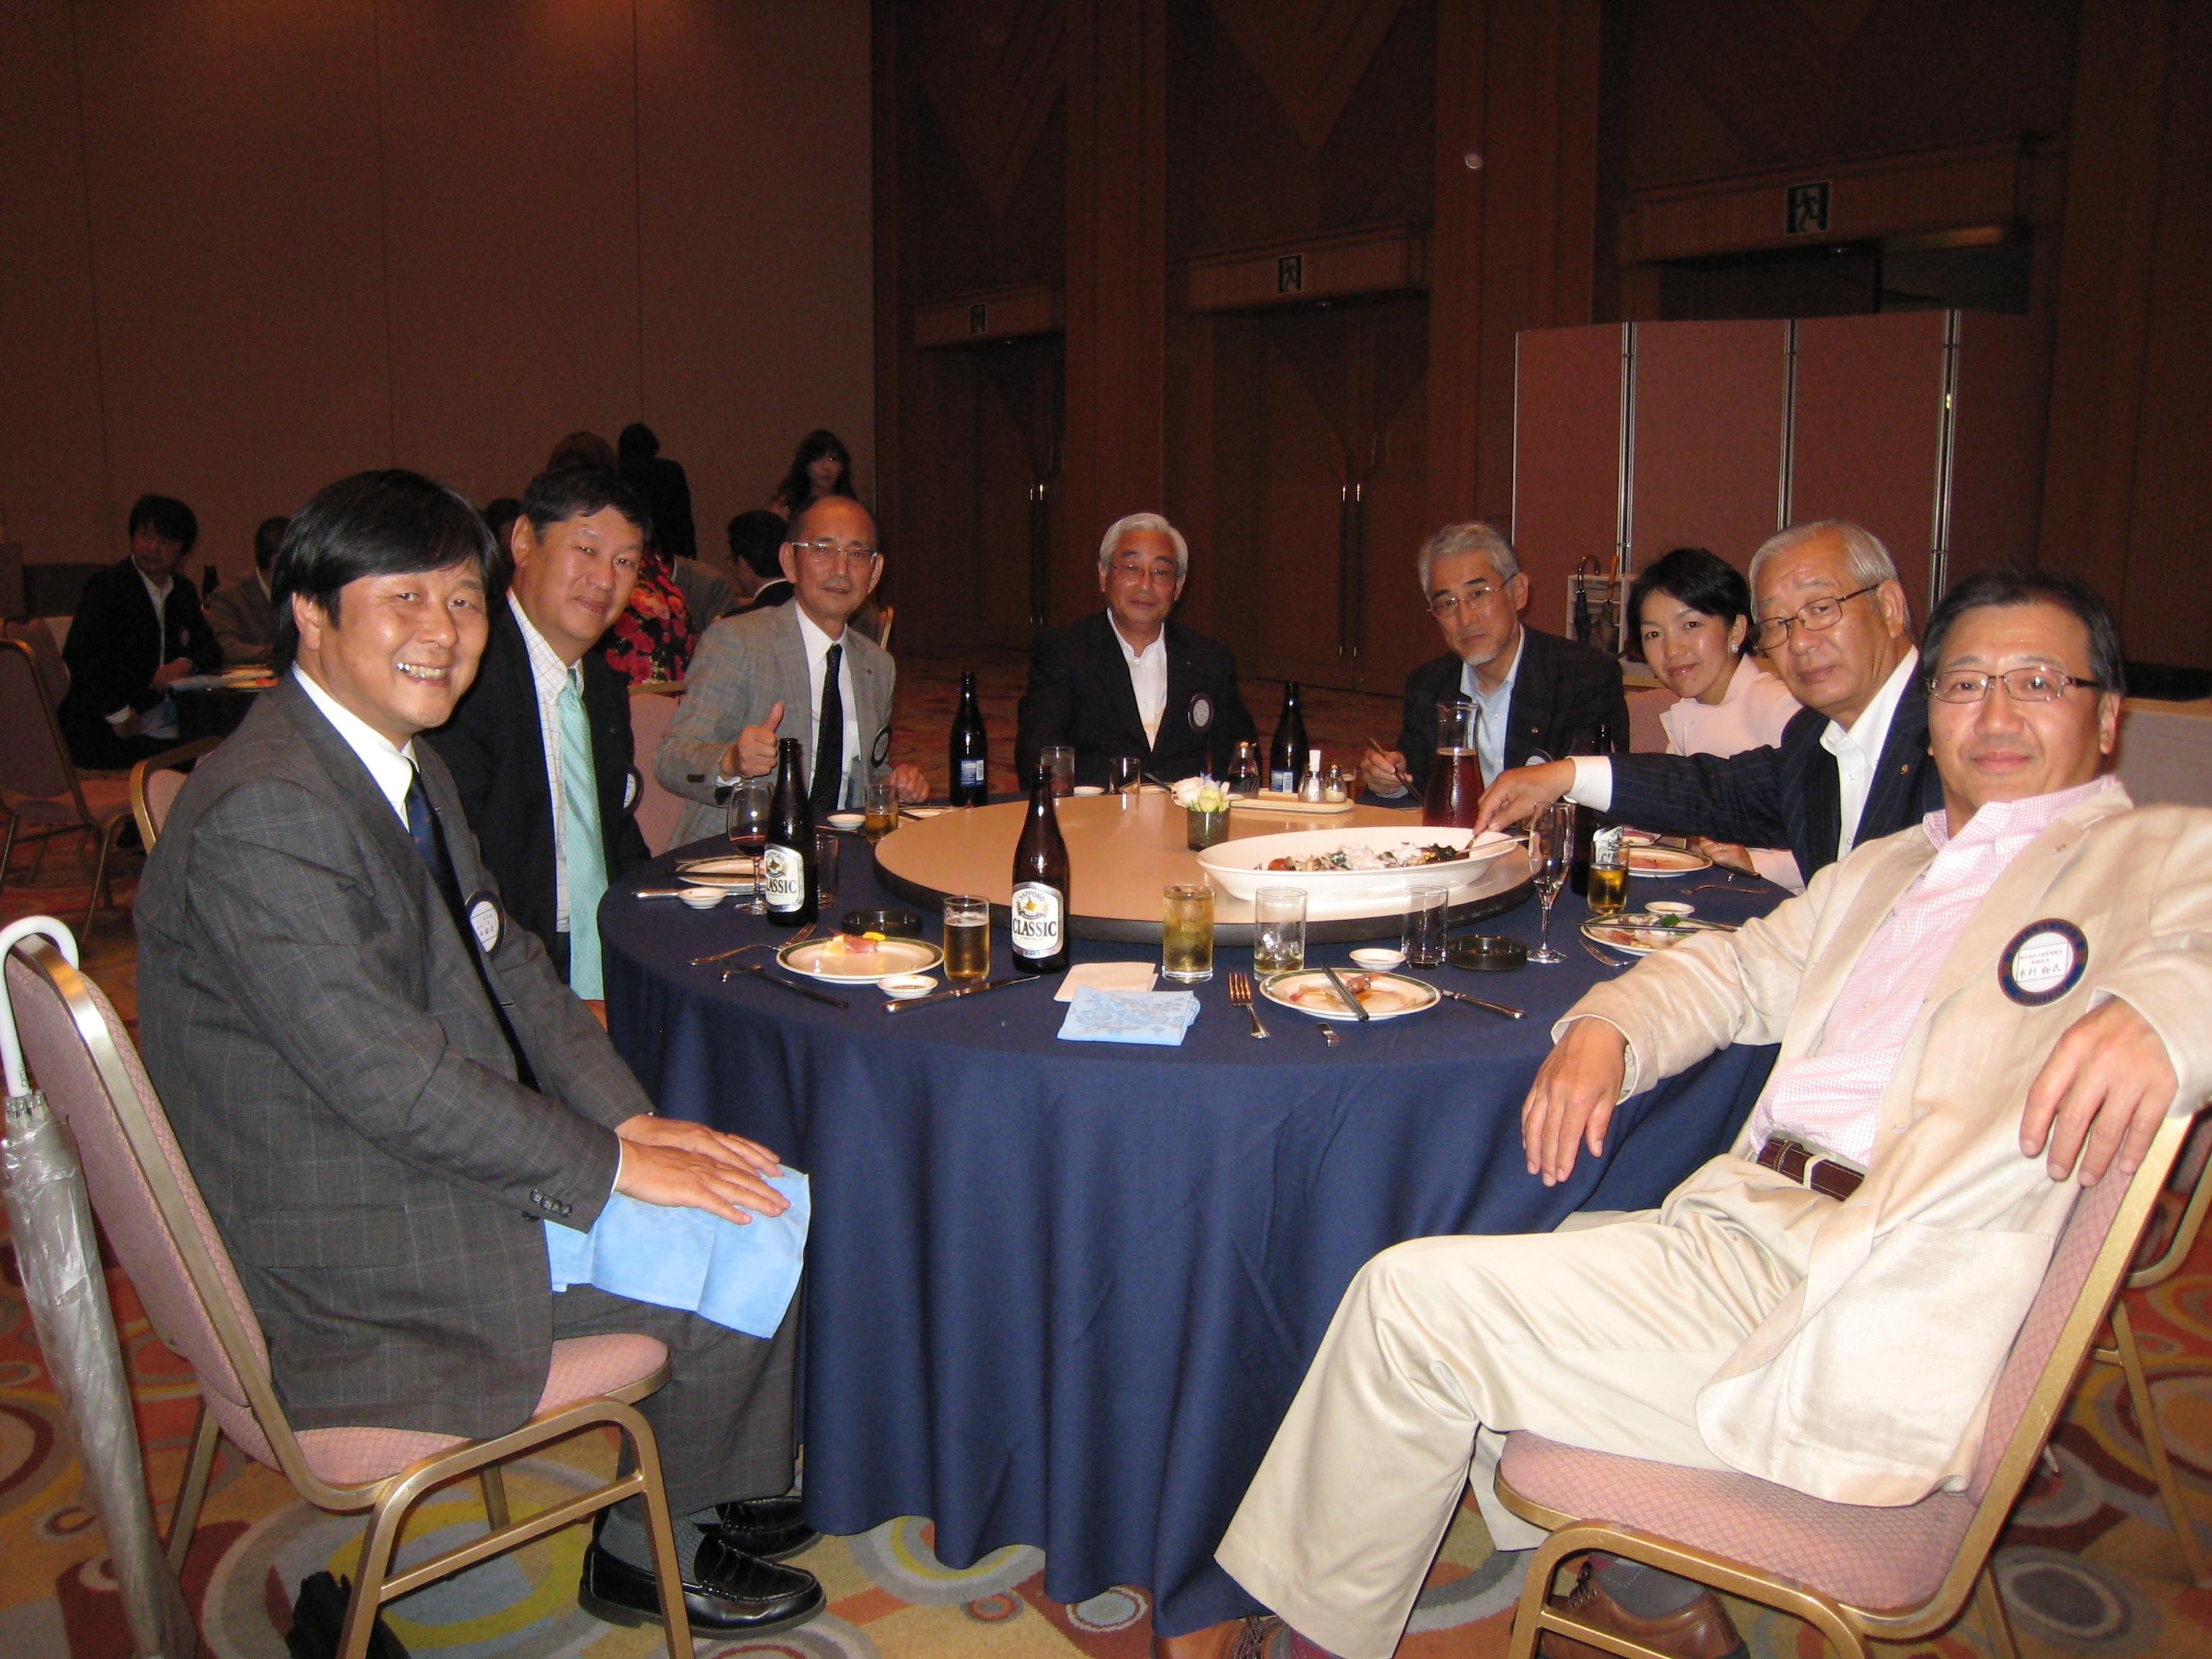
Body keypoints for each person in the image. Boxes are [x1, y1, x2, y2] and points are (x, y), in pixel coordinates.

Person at [1179, 569, 2212, 1659]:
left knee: (1409, 1308)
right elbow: (1734, 971)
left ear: (2106, 717)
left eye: (2037, 682)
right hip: (1748, 1225)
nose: (1994, 713)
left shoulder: (2153, 856)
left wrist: (2161, 1014)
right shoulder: (1894, 867)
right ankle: (1640, 1584)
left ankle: (1313, 1636)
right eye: (1965, 685)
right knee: (1501, 1239)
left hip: (1866, 1292)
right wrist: (1607, 1028)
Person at [132, 469, 827, 1637]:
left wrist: (629, 1118)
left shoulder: (393, 760)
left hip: (377, 1160)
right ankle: (645, 1550)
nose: (443, 631)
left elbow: (511, 966)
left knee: (744, 1184)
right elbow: (393, 1083)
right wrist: (613, 1167)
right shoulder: (272, 808)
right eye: (401, 597)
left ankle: (707, 1487)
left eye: (460, 600)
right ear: (311, 613)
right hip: (344, 1255)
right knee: (746, 1226)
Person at [1478, 520, 1940, 884]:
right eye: (1779, 624)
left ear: (1889, 607)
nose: (1800, 642)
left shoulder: (1957, 734)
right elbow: (1715, 791)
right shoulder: (1815, 737)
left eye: (1821, 609)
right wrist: (1568, 775)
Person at [428, 466, 654, 1001]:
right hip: (505, 971)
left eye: (625, 561)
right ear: (524, 541)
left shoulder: (601, 686)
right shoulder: (460, 680)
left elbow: (615, 840)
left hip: (602, 953)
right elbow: (450, 878)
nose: (605, 579)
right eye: (587, 549)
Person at [657, 496, 927, 845]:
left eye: (857, 554)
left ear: (874, 572)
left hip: (837, 848)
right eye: (822, 550)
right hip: (739, 850)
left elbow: (866, 770)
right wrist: (730, 761)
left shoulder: (877, 665)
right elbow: (671, 759)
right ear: (789, 561)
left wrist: (893, 784)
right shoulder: (739, 642)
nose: (841, 569)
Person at [1360, 522, 1628, 801]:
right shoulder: (1429, 685)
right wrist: (1393, 782)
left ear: (1518, 592)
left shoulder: (1585, 677)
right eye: (1448, 603)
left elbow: (1601, 792)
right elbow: (1418, 787)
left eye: (1478, 594)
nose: (1466, 618)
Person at [1015, 513, 1259, 788]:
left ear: (1178, 586)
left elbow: (1241, 757)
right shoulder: (1065, 651)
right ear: (1104, 575)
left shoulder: (1208, 659)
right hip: (1096, 809)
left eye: (1160, 572)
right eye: (1131, 568)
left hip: (1180, 810)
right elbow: (1038, 757)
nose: (1145, 585)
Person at [1629, 546, 1804, 890]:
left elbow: (1840, 845)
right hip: (1720, 893)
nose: (1672, 650)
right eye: (1654, 634)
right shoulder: (1687, 711)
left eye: (1691, 625)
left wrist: (1756, 863)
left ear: (1736, 631)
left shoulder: (1783, 709)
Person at [56, 493, 221, 768]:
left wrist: (184, 663)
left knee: (219, 743)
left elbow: (210, 649)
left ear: (183, 549)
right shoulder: (107, 586)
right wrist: (118, 713)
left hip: (160, 715)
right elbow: (81, 655)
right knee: (193, 760)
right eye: (146, 536)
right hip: (109, 721)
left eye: (165, 541)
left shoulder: (182, 591)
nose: (153, 547)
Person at [204, 515, 289, 667]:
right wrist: (274, 653)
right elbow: (226, 648)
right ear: (277, 560)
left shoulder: (304, 592)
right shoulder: (230, 594)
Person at [619, 421, 697, 563]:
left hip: (629, 539)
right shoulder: (671, 470)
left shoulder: (615, 470)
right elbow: (682, 515)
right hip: (667, 542)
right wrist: (690, 551)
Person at [767, 428, 858, 518]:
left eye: (833, 459)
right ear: (805, 464)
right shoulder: (787, 506)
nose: (827, 467)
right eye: (818, 459)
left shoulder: (850, 507)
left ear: (842, 466)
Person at [728, 510, 795, 612]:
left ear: (743, 562)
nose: (730, 566)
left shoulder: (740, 619)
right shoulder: (812, 608)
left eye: (730, 559)